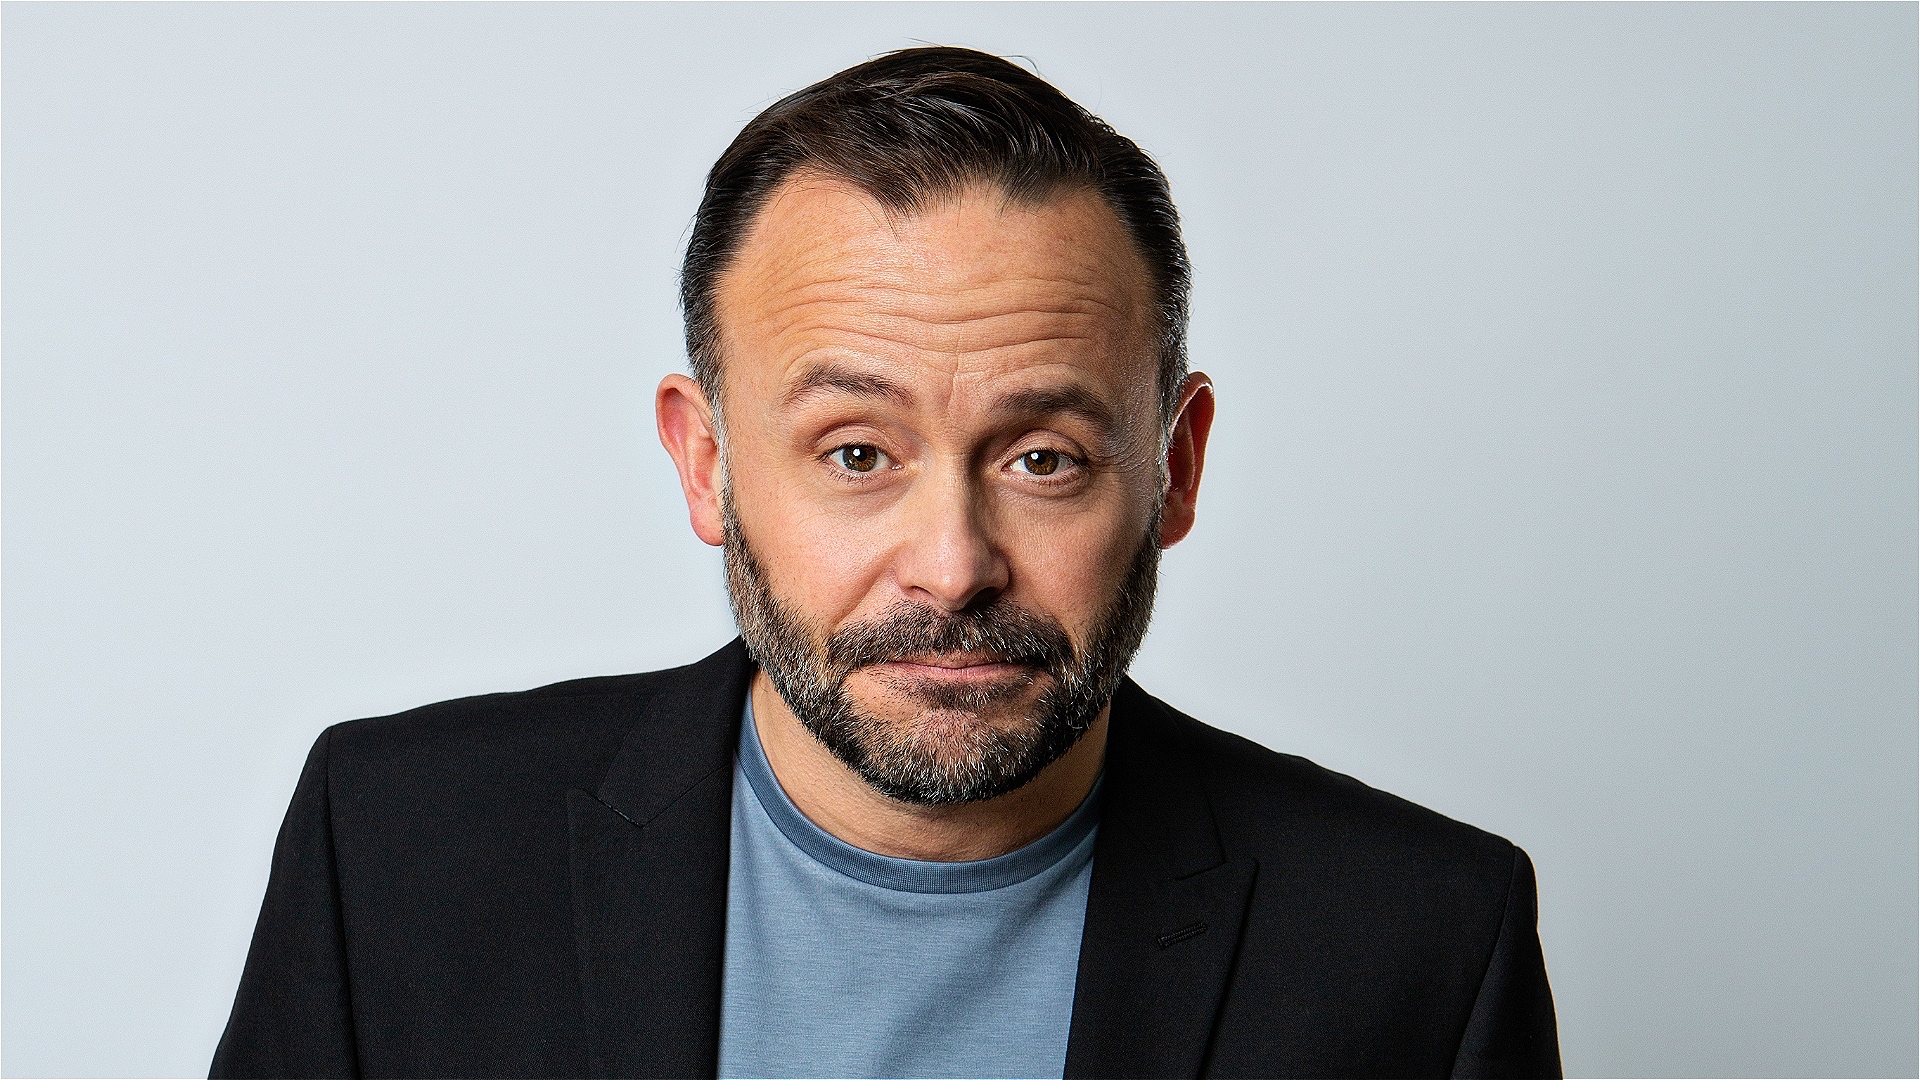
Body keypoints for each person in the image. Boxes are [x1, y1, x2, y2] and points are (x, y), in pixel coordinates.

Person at [211, 47, 1560, 1079]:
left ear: (1176, 468)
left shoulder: (1424, 945)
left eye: (1043, 457)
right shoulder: (390, 854)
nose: (953, 565)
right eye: (857, 453)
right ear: (708, 463)